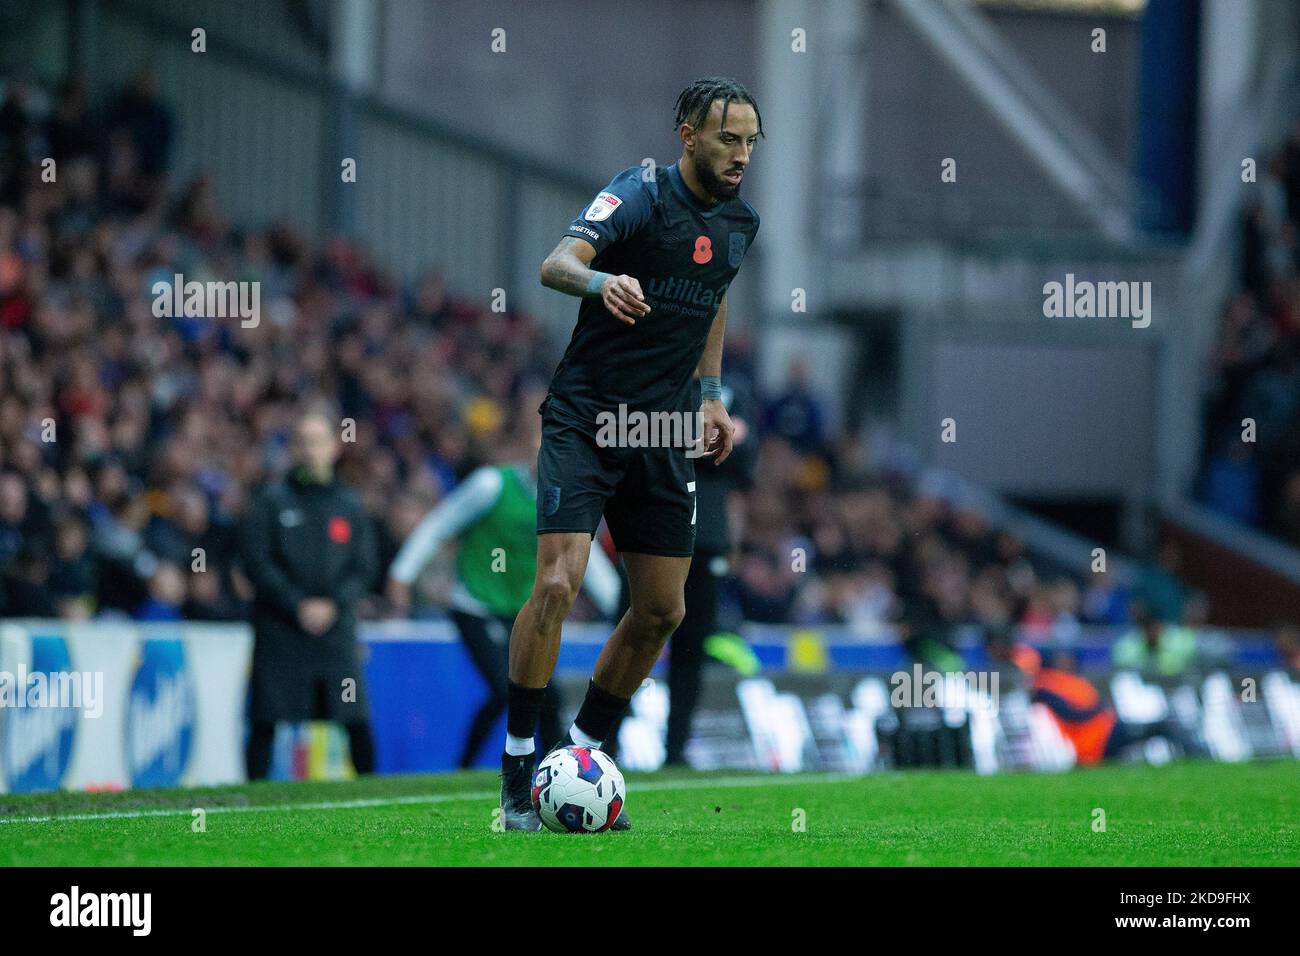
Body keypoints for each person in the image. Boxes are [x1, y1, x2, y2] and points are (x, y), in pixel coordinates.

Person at [500, 77, 762, 830]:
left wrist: (711, 392)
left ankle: (580, 756)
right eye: (727, 139)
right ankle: (519, 771)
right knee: (558, 583)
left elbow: (713, 298)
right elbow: (555, 264)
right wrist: (602, 278)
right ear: (688, 134)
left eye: (750, 142)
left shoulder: (741, 222)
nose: (741, 155)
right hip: (588, 418)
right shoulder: (638, 195)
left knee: (662, 610)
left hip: (661, 428)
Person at [385, 401, 622, 768]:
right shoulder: (491, 484)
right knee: (505, 689)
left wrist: (621, 610)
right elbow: (439, 524)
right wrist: (402, 574)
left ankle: (553, 774)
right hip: (476, 606)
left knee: (548, 698)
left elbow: (588, 560)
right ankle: (465, 767)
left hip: (525, 615)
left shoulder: (565, 502)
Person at [240, 408, 378, 780]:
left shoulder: (350, 505)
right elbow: (256, 562)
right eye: (301, 442)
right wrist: (296, 603)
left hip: (335, 630)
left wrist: (333, 604)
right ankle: (248, 802)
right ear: (292, 449)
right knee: (265, 720)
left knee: (356, 720)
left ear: (334, 447)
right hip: (280, 628)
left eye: (317, 441)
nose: (309, 450)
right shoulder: (269, 502)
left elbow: (364, 567)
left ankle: (374, 797)